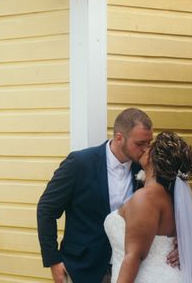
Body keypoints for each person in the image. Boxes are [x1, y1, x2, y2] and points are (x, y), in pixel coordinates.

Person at [37, 108, 156, 283]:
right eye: (140, 144)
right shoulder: (79, 163)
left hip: (129, 269)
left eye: (149, 143)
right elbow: (46, 209)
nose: (146, 149)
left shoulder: (147, 169)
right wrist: (53, 259)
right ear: (119, 138)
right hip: (82, 268)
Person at [105, 131, 192, 283]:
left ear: (156, 159)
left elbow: (134, 256)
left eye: (150, 147)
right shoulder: (169, 197)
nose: (145, 149)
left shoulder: (146, 197)